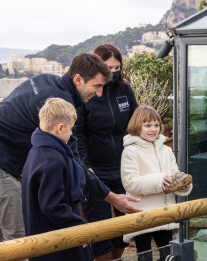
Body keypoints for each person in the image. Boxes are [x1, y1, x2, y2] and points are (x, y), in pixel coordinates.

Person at [0, 52, 141, 245]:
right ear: (78, 79)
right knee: (19, 240)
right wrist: (111, 197)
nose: (99, 93)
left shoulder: (45, 80)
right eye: (97, 86)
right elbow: (74, 159)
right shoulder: (61, 105)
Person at [76, 44, 138, 261]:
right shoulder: (88, 94)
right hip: (96, 170)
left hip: (124, 167)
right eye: (109, 68)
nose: (114, 72)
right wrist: (86, 166)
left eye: (118, 67)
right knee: (100, 229)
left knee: (124, 228)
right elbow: (78, 134)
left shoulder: (125, 90)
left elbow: (136, 125)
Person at [22, 98, 94, 261]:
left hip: (46, 240)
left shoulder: (37, 150)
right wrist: (79, 228)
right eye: (71, 130)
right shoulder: (51, 162)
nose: (71, 134)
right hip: (56, 245)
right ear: (60, 128)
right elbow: (53, 206)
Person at [121, 105, 193, 261]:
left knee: (167, 255)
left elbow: (174, 175)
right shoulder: (130, 151)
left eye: (156, 125)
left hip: (164, 214)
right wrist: (159, 180)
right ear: (136, 126)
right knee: (144, 256)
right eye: (147, 125)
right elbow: (130, 182)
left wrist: (182, 185)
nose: (153, 129)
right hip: (141, 214)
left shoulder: (166, 150)